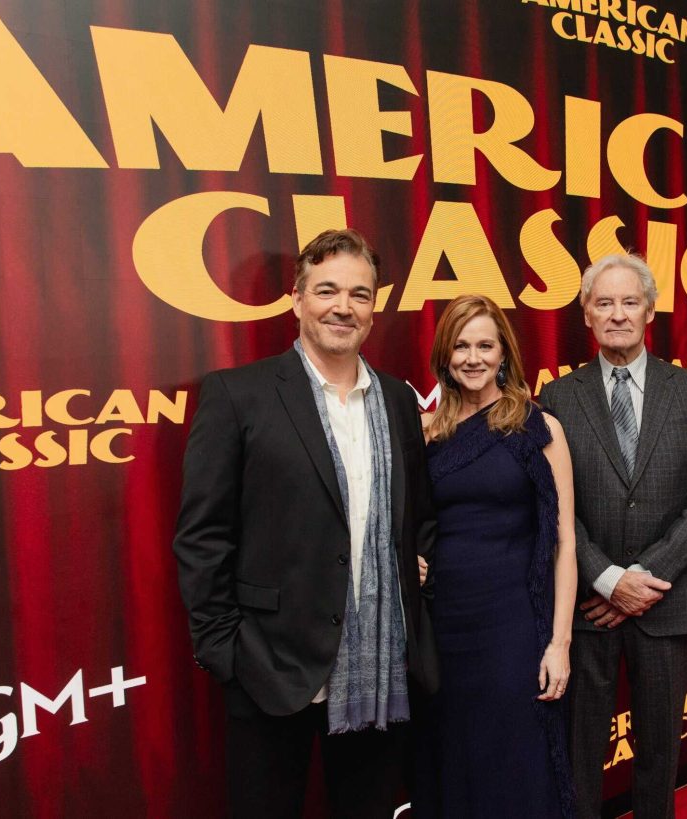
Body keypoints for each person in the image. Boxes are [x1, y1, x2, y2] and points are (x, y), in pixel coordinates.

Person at [172, 229, 438, 819]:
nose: (344, 307)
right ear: (297, 300)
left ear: (374, 308)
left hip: (380, 666)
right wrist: (224, 651)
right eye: (327, 290)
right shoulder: (238, 395)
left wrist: (413, 569)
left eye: (359, 294)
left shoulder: (398, 400)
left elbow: (418, 515)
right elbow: (203, 537)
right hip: (270, 667)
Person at [539, 254, 687, 819]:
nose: (617, 314)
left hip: (667, 602)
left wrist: (638, 582)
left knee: (660, 751)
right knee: (580, 752)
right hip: (586, 607)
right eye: (604, 303)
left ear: (649, 312)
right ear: (586, 315)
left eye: (629, 302)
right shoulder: (558, 398)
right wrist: (606, 578)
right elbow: (554, 505)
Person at [414, 294, 578, 819]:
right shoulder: (427, 433)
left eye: (485, 346)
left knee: (514, 759)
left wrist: (559, 644)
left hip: (514, 625)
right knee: (454, 757)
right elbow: (413, 523)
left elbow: (564, 544)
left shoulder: (537, 427)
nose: (473, 358)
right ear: (445, 355)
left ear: (504, 352)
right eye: (461, 346)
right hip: (444, 627)